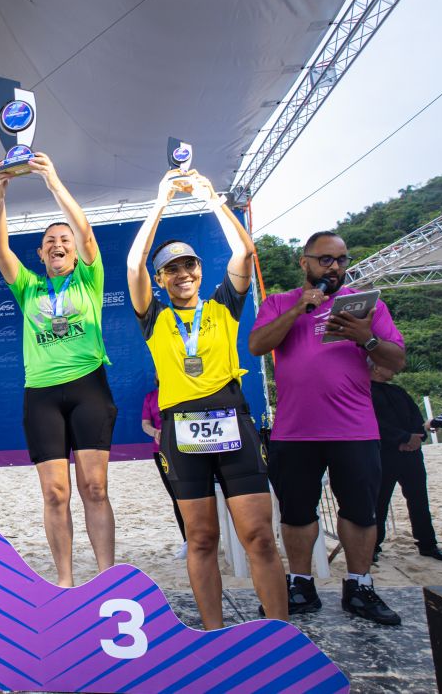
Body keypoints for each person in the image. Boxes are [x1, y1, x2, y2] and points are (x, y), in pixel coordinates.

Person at [127, 169, 286, 629]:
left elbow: (244, 252)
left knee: (259, 536)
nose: (182, 274)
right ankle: (214, 634)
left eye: (189, 265)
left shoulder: (222, 305)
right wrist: (160, 201)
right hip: (181, 431)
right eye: (171, 269)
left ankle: (281, 632)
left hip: (233, 423)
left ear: (200, 271)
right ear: (161, 279)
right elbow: (134, 266)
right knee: (201, 539)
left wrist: (212, 199)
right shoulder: (154, 317)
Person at [250, 230, 406, 626]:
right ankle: (301, 585)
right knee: (296, 512)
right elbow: (257, 345)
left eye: (340, 259)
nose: (334, 267)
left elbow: (396, 360)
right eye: (325, 259)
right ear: (304, 262)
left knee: (360, 511)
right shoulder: (278, 303)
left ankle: (359, 586)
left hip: (354, 429)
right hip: (294, 430)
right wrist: (298, 310)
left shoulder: (367, 306)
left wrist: (366, 337)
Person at [0, 153, 117, 586]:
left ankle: (106, 578)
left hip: (88, 388)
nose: (58, 245)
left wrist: (53, 182)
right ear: (41, 253)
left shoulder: (89, 279)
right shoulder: (28, 286)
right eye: (49, 242)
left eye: (64, 240)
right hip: (41, 394)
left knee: (94, 488)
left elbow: (86, 232)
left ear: (75, 250)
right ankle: (65, 581)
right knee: (55, 493)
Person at [369, 362, 442, 562]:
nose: (395, 368)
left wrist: (416, 437)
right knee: (379, 502)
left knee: (419, 500)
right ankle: (373, 546)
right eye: (388, 364)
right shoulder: (364, 392)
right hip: (384, 454)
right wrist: (402, 438)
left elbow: (416, 416)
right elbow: (373, 423)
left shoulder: (398, 390)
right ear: (376, 367)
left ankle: (427, 545)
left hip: (411, 454)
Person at [142, 380, 187, 558]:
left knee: (191, 495)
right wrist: (155, 432)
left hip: (185, 446)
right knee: (176, 496)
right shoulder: (151, 397)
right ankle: (187, 540)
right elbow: (145, 424)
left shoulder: (181, 389)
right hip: (161, 451)